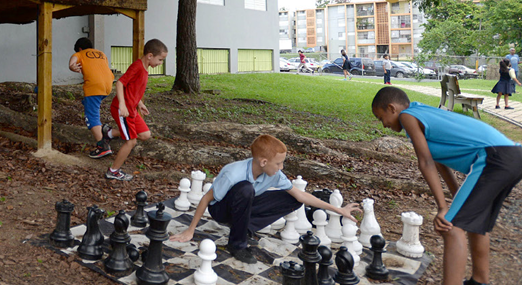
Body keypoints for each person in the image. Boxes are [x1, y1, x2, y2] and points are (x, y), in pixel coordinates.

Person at [371, 86, 522, 285]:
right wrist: (454, 197)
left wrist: (443, 208)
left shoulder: (408, 117)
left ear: (392, 108)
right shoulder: (422, 114)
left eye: (381, 117)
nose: (383, 125)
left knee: (450, 226)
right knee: (474, 222)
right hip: (513, 157)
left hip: (495, 159)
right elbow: (438, 162)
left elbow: (425, 162)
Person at [169, 135, 359, 263]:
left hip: (245, 203)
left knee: (293, 199)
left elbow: (301, 195)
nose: (281, 168)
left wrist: (339, 210)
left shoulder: (274, 174)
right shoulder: (233, 173)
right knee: (245, 188)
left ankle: (245, 228)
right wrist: (190, 230)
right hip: (221, 209)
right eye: (279, 163)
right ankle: (237, 245)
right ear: (263, 162)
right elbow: (206, 199)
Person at [106, 39, 169, 181]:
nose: (161, 63)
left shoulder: (145, 69)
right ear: (150, 56)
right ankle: (113, 171)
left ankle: (109, 133)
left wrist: (139, 103)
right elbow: (120, 83)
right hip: (123, 110)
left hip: (132, 109)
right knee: (131, 142)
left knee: (145, 135)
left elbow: (132, 88)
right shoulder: (137, 67)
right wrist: (122, 104)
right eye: (160, 59)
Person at [68, 37, 115, 159]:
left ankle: (102, 146)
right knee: (90, 102)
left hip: (94, 87)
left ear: (80, 48)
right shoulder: (101, 54)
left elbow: (73, 62)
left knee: (92, 116)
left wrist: (72, 66)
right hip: (108, 86)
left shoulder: (80, 54)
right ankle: (104, 130)